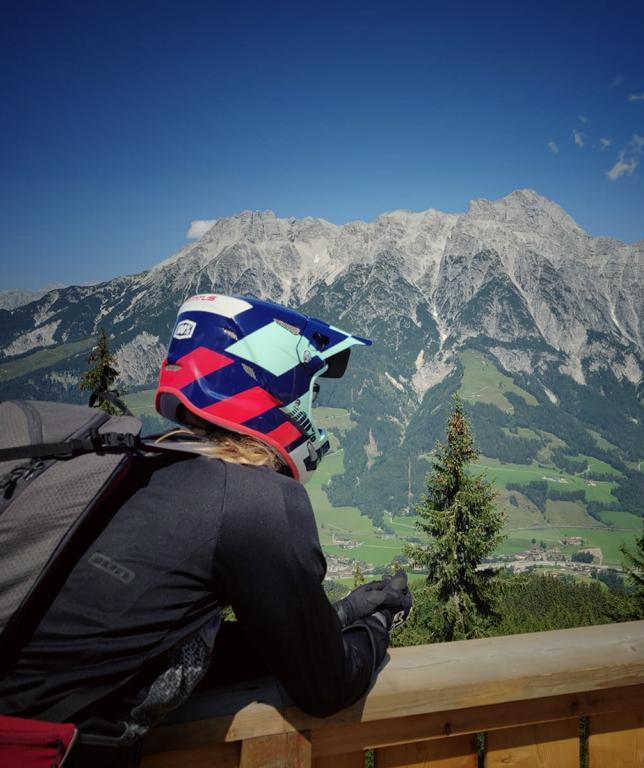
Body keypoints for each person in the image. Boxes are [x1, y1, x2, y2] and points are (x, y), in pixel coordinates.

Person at [0, 293, 412, 766]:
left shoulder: (141, 466)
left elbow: (158, 645)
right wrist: (380, 625)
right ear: (274, 380)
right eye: (309, 392)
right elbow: (327, 684)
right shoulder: (256, 501)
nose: (310, 411)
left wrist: (341, 613)